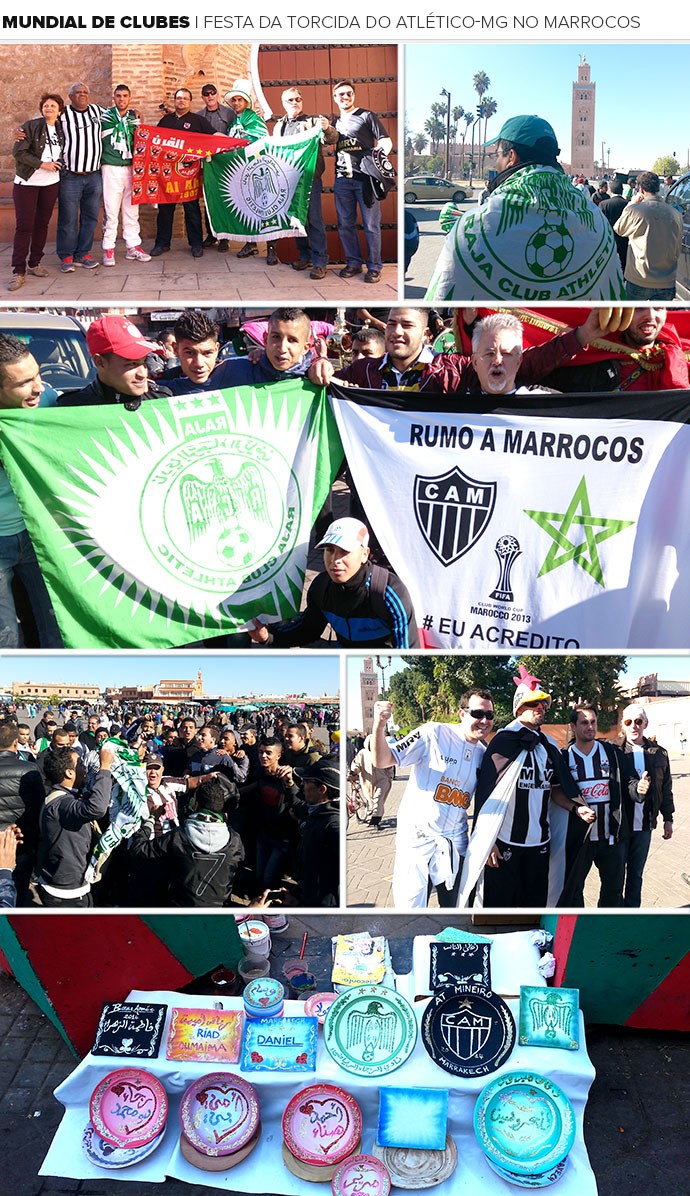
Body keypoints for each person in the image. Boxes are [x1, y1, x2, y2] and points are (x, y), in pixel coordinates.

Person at [425, 114, 625, 302]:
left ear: (511, 157)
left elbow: (441, 302)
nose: (497, 162)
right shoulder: (599, 224)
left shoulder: (468, 229)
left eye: (498, 155)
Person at [458, 667, 593, 908]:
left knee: (534, 910)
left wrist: (575, 808)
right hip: (505, 845)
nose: (540, 709)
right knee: (498, 909)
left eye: (543, 705)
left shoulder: (549, 746)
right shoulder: (503, 742)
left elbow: (555, 788)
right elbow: (487, 796)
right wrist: (487, 841)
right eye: (534, 704)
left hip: (540, 845)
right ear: (519, 708)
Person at [322, 306, 617, 395]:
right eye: (391, 324)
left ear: (426, 334)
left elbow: (526, 363)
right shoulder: (364, 371)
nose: (396, 332)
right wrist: (318, 366)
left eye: (406, 325)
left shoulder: (452, 369)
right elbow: (327, 384)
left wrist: (583, 335)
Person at [372, 692, 493, 906]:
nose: (484, 721)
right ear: (462, 714)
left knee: (457, 909)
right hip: (417, 840)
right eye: (478, 713)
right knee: (410, 909)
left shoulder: (484, 755)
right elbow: (383, 760)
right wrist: (379, 726)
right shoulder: (433, 733)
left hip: (455, 842)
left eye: (489, 715)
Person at [249, 517, 419, 648]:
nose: (335, 560)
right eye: (329, 550)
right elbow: (308, 630)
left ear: (364, 554)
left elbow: (407, 650)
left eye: (345, 551)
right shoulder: (320, 587)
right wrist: (268, 636)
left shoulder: (389, 593)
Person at [0, 334, 63, 648]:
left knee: (57, 621)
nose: (39, 387)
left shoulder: (50, 402)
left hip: (38, 534)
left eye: (38, 374)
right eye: (24, 382)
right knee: (6, 635)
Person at [129, 777, 244, 906]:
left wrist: (151, 819)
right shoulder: (235, 840)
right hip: (219, 911)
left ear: (195, 804)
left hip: (180, 908)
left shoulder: (178, 836)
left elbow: (139, 848)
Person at [562, 704, 634, 907]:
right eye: (584, 722)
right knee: (574, 889)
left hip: (611, 837)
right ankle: (580, 930)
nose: (590, 727)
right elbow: (555, 792)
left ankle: (607, 929)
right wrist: (576, 809)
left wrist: (640, 789)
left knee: (613, 890)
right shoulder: (564, 757)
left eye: (593, 722)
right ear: (573, 726)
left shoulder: (612, 754)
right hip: (579, 839)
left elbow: (630, 783)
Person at [35, 743, 115, 907]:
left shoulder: (60, 797)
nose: (84, 767)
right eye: (80, 764)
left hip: (65, 884)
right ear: (69, 772)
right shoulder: (62, 804)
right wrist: (105, 767)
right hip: (66, 893)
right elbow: (97, 808)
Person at [274, 87, 338, 280]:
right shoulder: (279, 126)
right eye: (291, 100)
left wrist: (327, 127)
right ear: (284, 103)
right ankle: (305, 256)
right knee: (297, 219)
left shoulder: (312, 122)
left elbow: (331, 138)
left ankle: (320, 262)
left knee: (315, 220)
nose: (295, 102)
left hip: (309, 179)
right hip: (289, 179)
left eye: (298, 99)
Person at [332, 80, 392, 284]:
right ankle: (354, 262)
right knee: (345, 224)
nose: (345, 97)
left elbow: (385, 139)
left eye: (348, 93)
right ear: (335, 98)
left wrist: (380, 154)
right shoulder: (334, 123)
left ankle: (374, 266)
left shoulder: (367, 116)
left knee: (371, 225)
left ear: (353, 96)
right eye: (341, 94)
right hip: (342, 179)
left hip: (365, 180)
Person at [619, 703, 674, 908]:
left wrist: (668, 819)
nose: (634, 726)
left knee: (636, 874)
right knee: (615, 877)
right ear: (623, 725)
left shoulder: (660, 754)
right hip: (620, 826)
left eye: (638, 721)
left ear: (646, 724)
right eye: (628, 722)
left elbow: (666, 789)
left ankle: (632, 914)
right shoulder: (614, 751)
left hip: (644, 825)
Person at [9, 92, 65, 292]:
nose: (48, 108)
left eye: (52, 106)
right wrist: (43, 164)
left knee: (42, 223)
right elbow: (19, 152)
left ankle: (34, 263)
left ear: (59, 111)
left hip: (51, 183)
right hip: (27, 183)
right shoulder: (30, 126)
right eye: (46, 106)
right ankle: (18, 271)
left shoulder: (61, 129)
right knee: (24, 226)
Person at [150, 89, 215, 259]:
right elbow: (154, 142)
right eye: (178, 98)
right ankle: (162, 243)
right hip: (168, 175)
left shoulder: (198, 121)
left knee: (192, 210)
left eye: (185, 98)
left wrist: (234, 143)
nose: (181, 101)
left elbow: (215, 136)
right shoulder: (165, 121)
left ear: (190, 102)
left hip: (189, 174)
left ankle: (196, 244)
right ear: (174, 100)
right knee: (165, 210)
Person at [57, 316, 171, 408]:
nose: (143, 374)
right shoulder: (72, 408)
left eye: (144, 361)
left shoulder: (162, 400)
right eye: (132, 364)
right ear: (100, 362)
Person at [100, 84, 151, 267]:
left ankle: (133, 246)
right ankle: (108, 248)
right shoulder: (103, 116)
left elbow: (142, 140)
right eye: (118, 96)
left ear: (130, 98)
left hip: (131, 168)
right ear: (114, 98)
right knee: (111, 210)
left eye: (125, 96)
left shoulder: (134, 118)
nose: (122, 99)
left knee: (132, 210)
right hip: (111, 167)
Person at [56, 82, 104, 273]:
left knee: (90, 216)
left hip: (94, 175)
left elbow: (120, 117)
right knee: (68, 217)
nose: (82, 95)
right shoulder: (62, 114)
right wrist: (21, 131)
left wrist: (136, 115)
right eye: (78, 93)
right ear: (70, 96)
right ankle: (66, 254)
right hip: (70, 176)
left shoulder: (98, 111)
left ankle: (83, 253)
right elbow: (40, 124)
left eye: (85, 92)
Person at [613, 170, 683, 300]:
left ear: (641, 189)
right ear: (658, 188)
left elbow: (619, 229)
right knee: (659, 320)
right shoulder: (675, 214)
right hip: (666, 280)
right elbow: (677, 247)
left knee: (632, 319)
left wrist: (632, 204)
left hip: (639, 278)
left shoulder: (635, 210)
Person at [223, 79, 272, 263]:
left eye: (240, 100)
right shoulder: (235, 119)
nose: (236, 103)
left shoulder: (253, 117)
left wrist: (241, 140)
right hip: (241, 169)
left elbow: (261, 137)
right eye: (234, 100)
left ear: (246, 102)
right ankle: (251, 243)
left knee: (263, 206)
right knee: (247, 205)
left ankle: (271, 248)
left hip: (256, 168)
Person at [0, 722, 45, 902]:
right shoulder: (29, 769)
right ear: (16, 743)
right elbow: (40, 806)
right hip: (21, 841)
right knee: (16, 888)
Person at [295, 758, 340, 905]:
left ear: (322, 790)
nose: (302, 784)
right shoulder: (315, 811)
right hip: (307, 891)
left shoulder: (333, 825)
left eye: (307, 781)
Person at [196, 84, 233, 250]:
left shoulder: (228, 113)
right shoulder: (199, 116)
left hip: (225, 163)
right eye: (206, 94)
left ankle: (224, 237)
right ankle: (211, 235)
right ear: (202, 97)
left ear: (217, 94)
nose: (210, 96)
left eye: (212, 93)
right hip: (208, 164)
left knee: (225, 198)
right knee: (209, 198)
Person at [348, 735, 395, 828]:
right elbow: (356, 764)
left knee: (378, 798)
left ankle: (375, 820)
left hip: (383, 779)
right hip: (367, 781)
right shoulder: (362, 753)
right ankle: (373, 813)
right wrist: (354, 771)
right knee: (371, 799)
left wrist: (390, 775)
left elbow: (390, 766)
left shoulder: (383, 752)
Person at [599, 179, 629, 274]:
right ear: (622, 190)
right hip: (624, 238)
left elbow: (600, 223)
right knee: (624, 261)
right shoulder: (628, 204)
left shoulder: (603, 204)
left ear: (610, 190)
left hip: (609, 238)